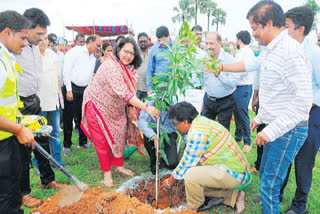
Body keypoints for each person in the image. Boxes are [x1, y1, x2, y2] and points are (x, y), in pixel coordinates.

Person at [217, 1, 313, 213]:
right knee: (267, 179)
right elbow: (276, 91)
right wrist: (260, 118)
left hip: (289, 129)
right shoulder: (271, 49)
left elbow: (303, 103)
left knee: (269, 185)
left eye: (255, 28)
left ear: (269, 23)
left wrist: (270, 130)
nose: (254, 34)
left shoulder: (290, 51)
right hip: (275, 125)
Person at [80, 38, 160, 187]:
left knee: (119, 134)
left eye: (132, 53)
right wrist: (146, 107)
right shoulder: (111, 66)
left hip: (115, 108)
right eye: (125, 51)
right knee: (102, 140)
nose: (128, 56)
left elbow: (129, 92)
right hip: (96, 104)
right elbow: (124, 92)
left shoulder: (128, 68)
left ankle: (118, 165)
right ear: (118, 50)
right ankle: (107, 173)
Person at [16, 8, 65, 208]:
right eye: (39, 34)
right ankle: (24, 193)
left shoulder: (36, 47)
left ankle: (47, 179)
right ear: (26, 27)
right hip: (19, 104)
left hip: (35, 100)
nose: (43, 38)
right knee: (23, 150)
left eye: (45, 34)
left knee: (42, 140)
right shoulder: (14, 48)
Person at [161, 102, 248, 213]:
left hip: (234, 174)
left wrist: (170, 180)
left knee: (190, 175)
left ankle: (193, 208)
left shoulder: (198, 133)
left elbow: (187, 163)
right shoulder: (200, 122)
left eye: (175, 124)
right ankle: (234, 196)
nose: (174, 127)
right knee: (192, 187)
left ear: (186, 122)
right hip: (230, 168)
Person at [280, 7, 320, 214]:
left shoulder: (314, 53)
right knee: (283, 153)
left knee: (304, 161)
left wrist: (309, 101)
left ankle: (299, 206)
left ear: (301, 29)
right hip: (289, 112)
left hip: (310, 114)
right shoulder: (288, 49)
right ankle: (276, 193)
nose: (283, 31)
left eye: (286, 27)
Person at [0, 10, 35, 213]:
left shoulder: (7, 58)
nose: (25, 43)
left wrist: (24, 124)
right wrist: (19, 129)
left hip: (8, 137)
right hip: (3, 142)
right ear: (6, 32)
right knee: (6, 199)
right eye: (22, 38)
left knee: (13, 193)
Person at [62, 35, 101, 155]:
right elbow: (66, 71)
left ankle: (82, 142)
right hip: (71, 88)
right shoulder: (75, 52)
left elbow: (89, 75)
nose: (99, 48)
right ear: (90, 42)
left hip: (84, 89)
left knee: (83, 116)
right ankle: (67, 145)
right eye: (97, 45)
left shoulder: (93, 57)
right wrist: (68, 89)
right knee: (68, 118)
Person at [202, 32, 238, 131]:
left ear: (220, 43)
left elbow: (232, 84)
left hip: (225, 101)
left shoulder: (230, 60)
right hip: (209, 100)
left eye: (211, 43)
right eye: (206, 43)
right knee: (205, 129)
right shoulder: (204, 59)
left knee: (223, 131)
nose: (208, 46)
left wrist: (219, 75)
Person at [38, 34, 64, 166]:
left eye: (45, 39)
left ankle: (57, 162)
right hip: (39, 103)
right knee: (40, 136)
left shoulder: (52, 55)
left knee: (55, 133)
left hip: (54, 101)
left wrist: (60, 97)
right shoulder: (32, 56)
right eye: (40, 39)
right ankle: (41, 165)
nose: (43, 42)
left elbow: (57, 77)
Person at [137, 99, 179, 175]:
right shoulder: (150, 102)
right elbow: (141, 121)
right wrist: (154, 137)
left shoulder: (176, 103)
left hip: (168, 133)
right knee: (155, 168)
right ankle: (154, 160)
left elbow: (184, 124)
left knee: (172, 164)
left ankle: (165, 158)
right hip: (153, 132)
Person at [233, 30, 255, 153]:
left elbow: (243, 70)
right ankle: (238, 137)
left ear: (239, 40)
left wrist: (232, 78)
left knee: (242, 114)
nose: (235, 41)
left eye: (236, 39)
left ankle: (248, 142)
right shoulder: (241, 52)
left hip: (244, 87)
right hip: (238, 87)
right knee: (236, 113)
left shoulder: (247, 52)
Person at [146, 26, 172, 95]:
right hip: (159, 85)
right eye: (159, 40)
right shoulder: (154, 49)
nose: (160, 43)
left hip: (174, 84)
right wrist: (149, 88)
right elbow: (149, 70)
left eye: (163, 40)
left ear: (169, 36)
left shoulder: (176, 47)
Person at [136, 32, 149, 100]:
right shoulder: (135, 54)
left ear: (148, 41)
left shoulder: (152, 54)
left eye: (145, 41)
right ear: (138, 42)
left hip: (149, 89)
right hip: (137, 87)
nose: (143, 43)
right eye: (141, 41)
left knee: (148, 108)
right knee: (136, 109)